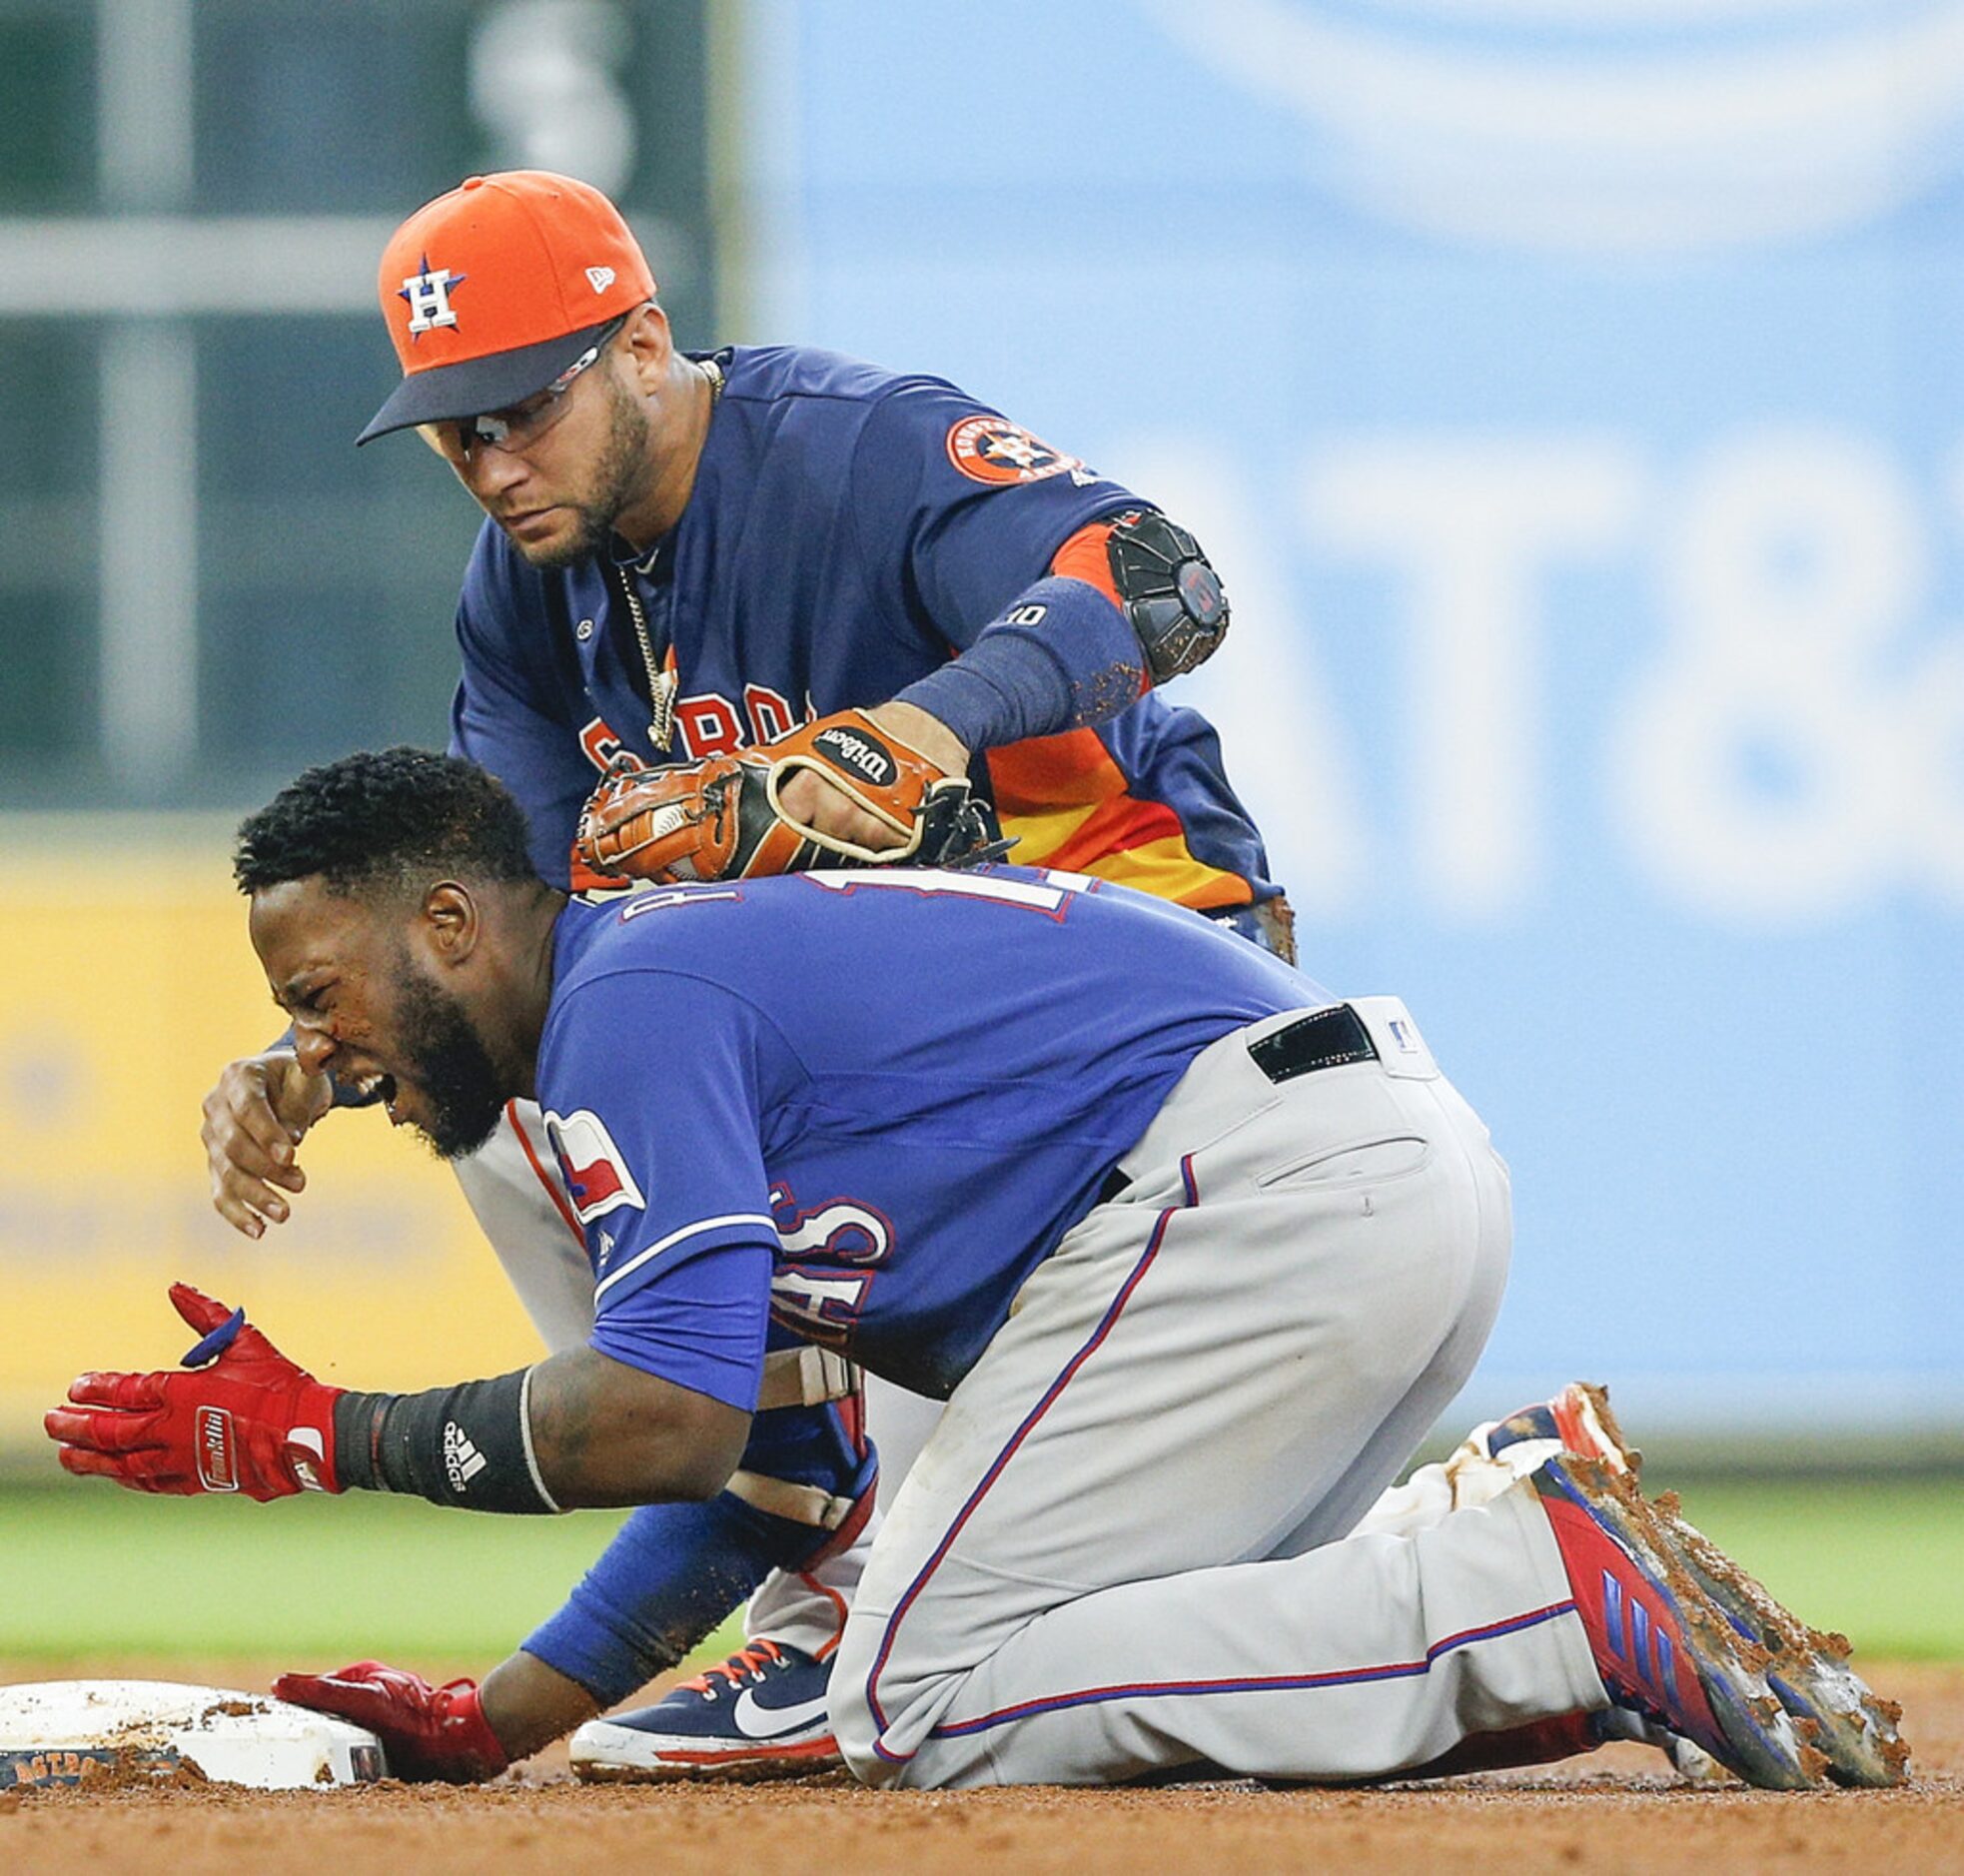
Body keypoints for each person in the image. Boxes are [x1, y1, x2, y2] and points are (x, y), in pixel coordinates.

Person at [58, 750, 1902, 1791]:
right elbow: (778, 1471)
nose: (326, 1045)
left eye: (322, 994)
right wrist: (508, 1712)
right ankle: (1502, 1549)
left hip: (1248, 1197)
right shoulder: (650, 1000)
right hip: (1355, 1179)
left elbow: (663, 1420)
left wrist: (318, 1437)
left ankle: (1529, 1592)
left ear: (450, 922)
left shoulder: (629, 1010)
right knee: (1052, 1660)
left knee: (922, 1697)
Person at [197, 169, 1294, 1774]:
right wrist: (328, 1048)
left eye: (522, 406)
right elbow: (509, 942)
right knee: (531, 1107)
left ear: (640, 344)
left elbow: (1167, 579)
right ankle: (801, 1541)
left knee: (964, 1613)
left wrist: (916, 726)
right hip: (886, 1064)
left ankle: (844, 1595)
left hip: (1135, 967)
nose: (492, 462)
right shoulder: (524, 588)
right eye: (455, 426)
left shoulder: (852, 450)